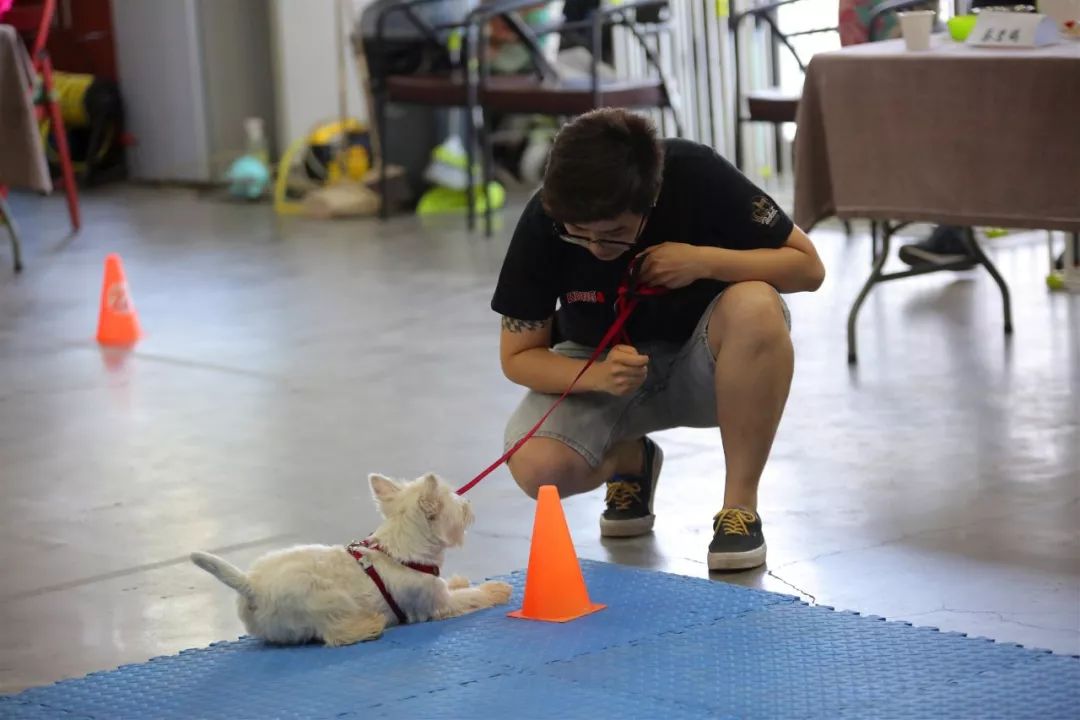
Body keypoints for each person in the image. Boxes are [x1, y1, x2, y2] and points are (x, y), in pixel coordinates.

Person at [491, 109, 825, 571]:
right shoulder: (545, 217)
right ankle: (630, 461)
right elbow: (518, 357)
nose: (594, 247)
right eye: (578, 234)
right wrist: (597, 374)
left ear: (651, 202)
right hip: (605, 370)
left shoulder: (696, 173)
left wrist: (704, 261)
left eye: (612, 235)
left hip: (709, 365)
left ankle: (739, 509)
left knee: (756, 306)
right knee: (535, 468)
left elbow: (808, 268)